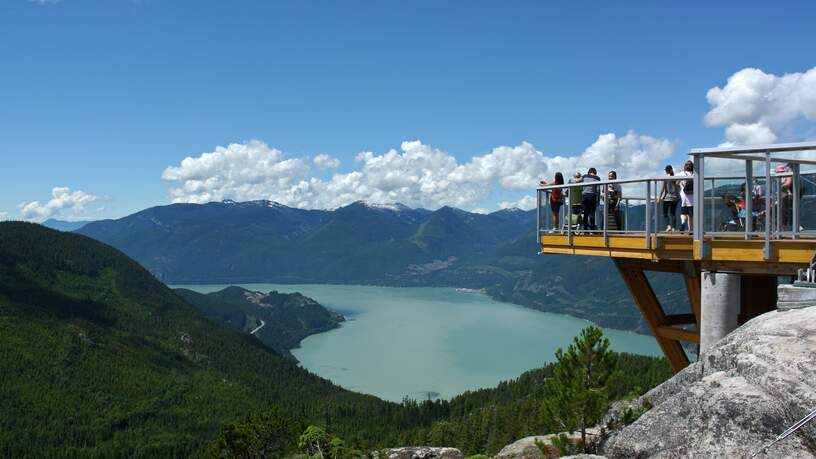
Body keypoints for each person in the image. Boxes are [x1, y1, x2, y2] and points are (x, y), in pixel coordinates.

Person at [659, 165, 679, 232]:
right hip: (674, 198)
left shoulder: (665, 178)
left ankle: (669, 226)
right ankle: (673, 228)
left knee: (665, 213)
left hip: (667, 198)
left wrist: (660, 198)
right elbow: (677, 188)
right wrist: (677, 197)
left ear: (666, 170)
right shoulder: (675, 178)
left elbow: (663, 190)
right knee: (673, 213)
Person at [679, 160, 694, 232]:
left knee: (683, 213)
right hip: (692, 198)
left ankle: (683, 222)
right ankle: (690, 230)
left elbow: (673, 180)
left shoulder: (682, 174)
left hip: (684, 196)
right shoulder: (695, 174)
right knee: (691, 216)